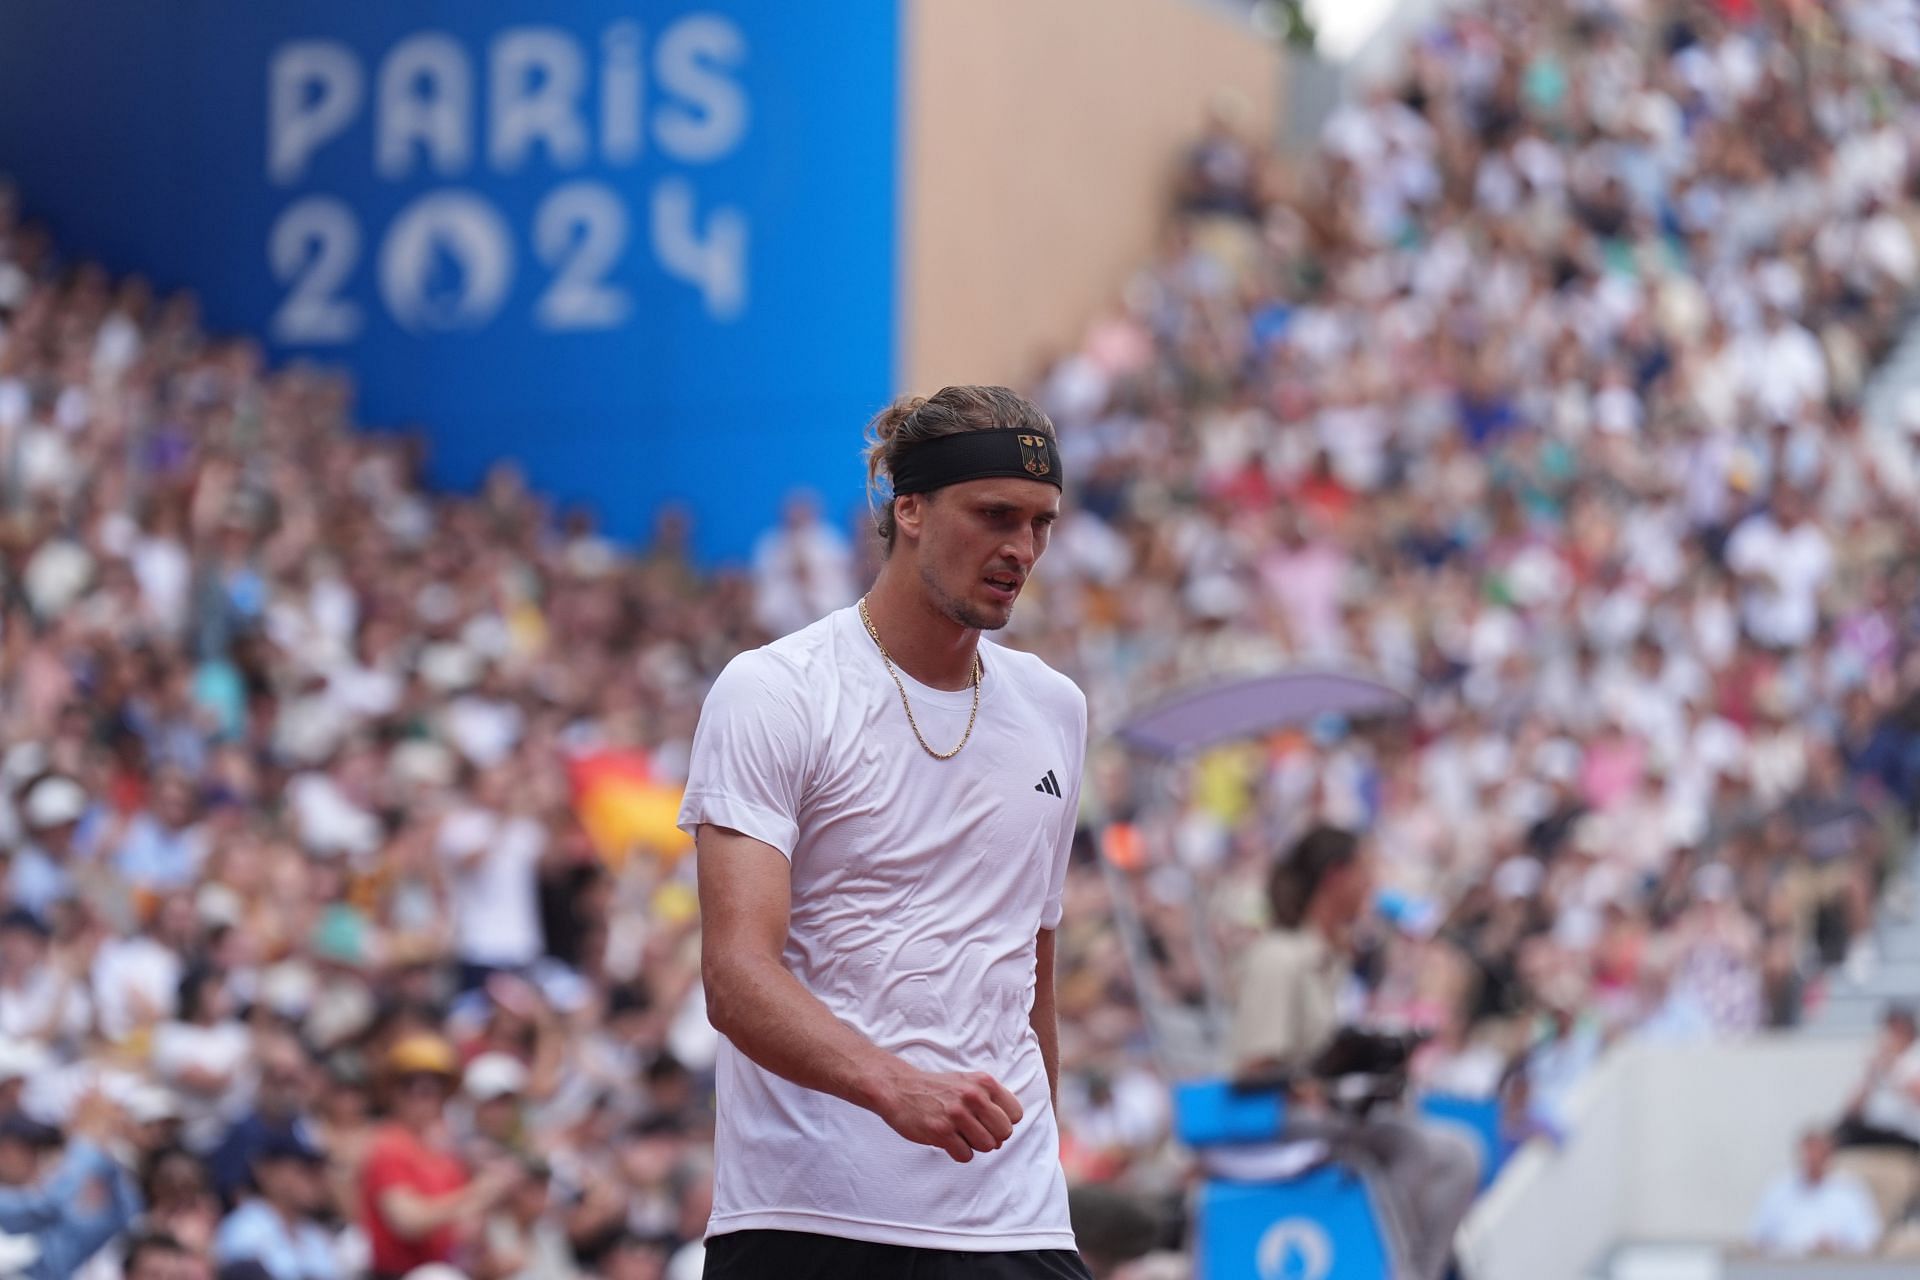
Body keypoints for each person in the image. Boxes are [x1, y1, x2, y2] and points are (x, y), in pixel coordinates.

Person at [684, 386, 1091, 1278]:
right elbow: (735, 976)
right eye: (993, 516)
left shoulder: (1056, 709)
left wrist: (1041, 1173)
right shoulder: (774, 690)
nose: (1020, 549)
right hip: (810, 1220)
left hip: (1013, 1225)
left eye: (1041, 524)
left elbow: (1031, 976)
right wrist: (891, 1084)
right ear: (908, 509)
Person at [1225, 826, 1480, 1280]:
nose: (1373, 883)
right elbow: (1252, 1069)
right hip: (1275, 1123)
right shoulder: (1279, 957)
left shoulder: (1333, 959)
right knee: (1404, 1144)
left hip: (1331, 1112)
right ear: (1336, 877)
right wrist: (1315, 1084)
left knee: (1460, 1154)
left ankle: (1419, 1270)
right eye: (1366, 870)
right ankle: (1380, 1267)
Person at [358, 1034, 520, 1280]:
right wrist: (479, 1191)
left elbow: (462, 1232)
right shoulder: (388, 1144)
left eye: (435, 1088)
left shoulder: (442, 1153)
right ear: (393, 1092)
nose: (425, 1096)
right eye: (411, 1085)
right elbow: (407, 1221)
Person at [213, 1129, 340, 1280]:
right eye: (304, 1169)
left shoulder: (315, 1235)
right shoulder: (243, 1230)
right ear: (267, 1172)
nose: (315, 1180)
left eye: (318, 1170)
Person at [1748, 1129, 1882, 1258]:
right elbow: (1757, 1240)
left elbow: (1868, 1242)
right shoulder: (1778, 1190)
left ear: (1828, 1155)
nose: (1812, 1159)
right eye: (1808, 1153)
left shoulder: (1851, 1191)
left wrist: (1836, 1247)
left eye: (1818, 1153)